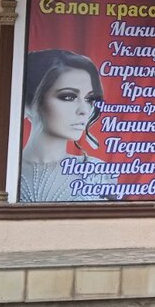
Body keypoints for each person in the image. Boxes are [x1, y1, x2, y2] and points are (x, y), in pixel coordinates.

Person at [19, 49, 113, 202]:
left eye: (89, 99)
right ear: (28, 105)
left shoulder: (96, 172)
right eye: (68, 97)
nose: (84, 110)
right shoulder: (6, 169)